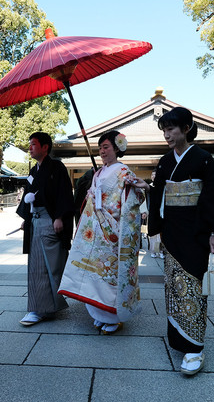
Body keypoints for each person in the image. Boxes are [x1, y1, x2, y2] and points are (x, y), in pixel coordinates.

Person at [148, 107, 214, 376]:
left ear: (186, 128)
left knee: (193, 287)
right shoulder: (165, 161)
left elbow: (212, 197)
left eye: (171, 129)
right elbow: (159, 193)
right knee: (174, 289)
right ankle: (179, 339)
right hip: (172, 232)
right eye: (164, 130)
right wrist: (154, 226)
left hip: (196, 232)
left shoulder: (202, 158)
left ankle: (195, 348)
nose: (167, 134)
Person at [59, 131, 148, 334]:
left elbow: (137, 195)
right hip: (95, 230)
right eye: (100, 148)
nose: (102, 151)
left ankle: (113, 316)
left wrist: (129, 193)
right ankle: (99, 314)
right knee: (92, 273)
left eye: (106, 147)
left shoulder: (123, 171)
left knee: (109, 274)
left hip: (113, 230)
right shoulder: (98, 173)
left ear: (117, 148)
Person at [16, 132, 75, 326]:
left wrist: (59, 217)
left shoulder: (56, 167)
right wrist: (27, 217)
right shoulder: (34, 171)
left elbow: (64, 194)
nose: (30, 148)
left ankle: (42, 309)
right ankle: (41, 308)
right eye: (30, 144)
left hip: (50, 221)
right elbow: (28, 195)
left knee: (51, 267)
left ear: (45, 147)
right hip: (36, 222)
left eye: (33, 144)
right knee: (38, 267)